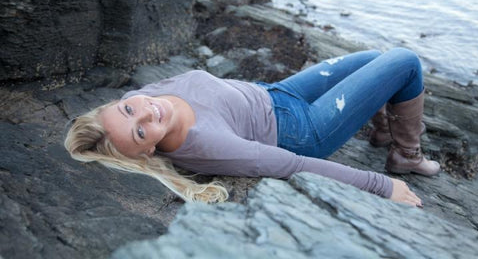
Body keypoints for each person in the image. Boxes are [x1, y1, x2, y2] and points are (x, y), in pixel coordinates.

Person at [64, 47, 440, 207]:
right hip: (303, 130)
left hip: (279, 94)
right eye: (141, 133)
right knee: (404, 61)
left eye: (129, 109)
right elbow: (292, 164)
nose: (147, 114)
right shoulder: (207, 144)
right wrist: (380, 186)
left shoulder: (144, 95)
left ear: (123, 99)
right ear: (148, 149)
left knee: (375, 60)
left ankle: (385, 131)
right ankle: (406, 155)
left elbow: (141, 107)